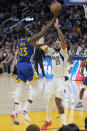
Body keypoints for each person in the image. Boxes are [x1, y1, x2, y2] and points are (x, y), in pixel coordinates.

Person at [10, 11, 58, 125]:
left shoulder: (19, 41)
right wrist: (54, 18)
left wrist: (44, 43)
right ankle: (25, 110)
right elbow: (43, 32)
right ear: (27, 33)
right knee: (37, 89)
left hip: (20, 66)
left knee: (20, 87)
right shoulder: (30, 40)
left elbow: (36, 46)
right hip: (28, 66)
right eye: (29, 31)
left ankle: (15, 110)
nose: (30, 32)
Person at [41, 18, 68, 130]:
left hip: (62, 79)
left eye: (58, 43)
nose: (56, 44)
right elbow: (42, 45)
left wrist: (57, 28)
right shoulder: (52, 52)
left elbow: (63, 40)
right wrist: (43, 33)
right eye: (55, 43)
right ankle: (48, 121)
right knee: (50, 100)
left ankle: (64, 123)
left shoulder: (63, 52)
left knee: (58, 100)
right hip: (54, 79)